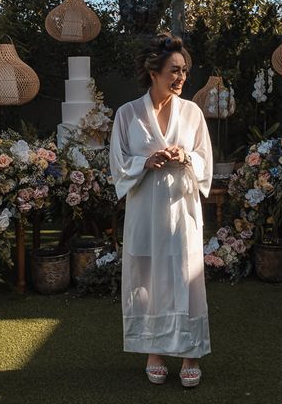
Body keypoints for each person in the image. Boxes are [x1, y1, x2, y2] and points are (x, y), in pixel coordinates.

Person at [109, 33, 213, 388]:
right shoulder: (127, 114)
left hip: (182, 207)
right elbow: (118, 165)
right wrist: (146, 160)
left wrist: (187, 157)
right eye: (174, 70)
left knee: (186, 274)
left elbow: (206, 161)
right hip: (145, 209)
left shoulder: (192, 112)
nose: (181, 77)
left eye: (184, 70)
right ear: (153, 71)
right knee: (148, 274)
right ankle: (154, 350)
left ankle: (191, 352)